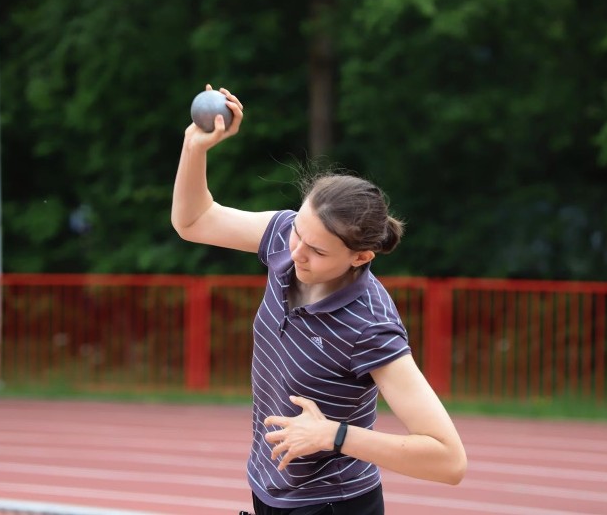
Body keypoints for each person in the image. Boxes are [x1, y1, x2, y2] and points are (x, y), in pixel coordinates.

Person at [171, 85, 467, 515]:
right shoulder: (282, 237)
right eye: (298, 233)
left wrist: (333, 435)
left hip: (333, 504)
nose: (295, 253)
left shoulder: (370, 326)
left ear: (360, 257)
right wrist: (193, 147)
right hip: (269, 489)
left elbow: (449, 460)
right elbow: (193, 221)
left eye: (318, 250)